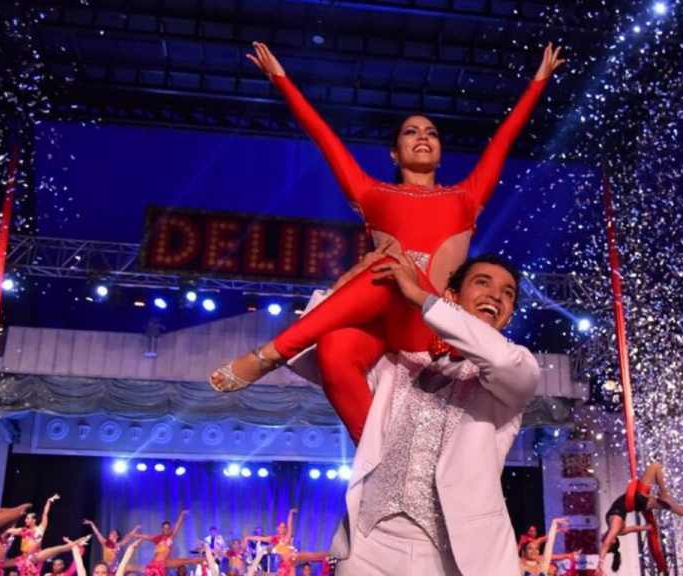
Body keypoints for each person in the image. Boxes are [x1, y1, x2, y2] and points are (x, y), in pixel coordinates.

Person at [209, 40, 565, 447]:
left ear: (441, 153)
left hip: (433, 326)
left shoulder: (465, 198)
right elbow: (325, 139)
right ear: (395, 153)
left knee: (392, 269)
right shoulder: (372, 194)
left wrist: (537, 83)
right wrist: (282, 80)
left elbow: (503, 140)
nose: (423, 137)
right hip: (386, 324)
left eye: (431, 133)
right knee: (335, 349)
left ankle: (270, 354)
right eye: (411, 132)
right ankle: (378, 457)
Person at [288, 252, 539, 575]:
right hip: (369, 544)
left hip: (452, 554)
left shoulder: (516, 372)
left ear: (508, 316)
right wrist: (345, 285)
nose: (496, 294)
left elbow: (501, 360)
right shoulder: (398, 362)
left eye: (508, 293)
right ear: (451, 296)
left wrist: (421, 298)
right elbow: (315, 352)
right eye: (482, 283)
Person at [596, 461, 683, 576]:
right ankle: (665, 495)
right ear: (613, 540)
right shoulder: (615, 527)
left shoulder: (620, 530)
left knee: (671, 507)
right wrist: (600, 565)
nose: (602, 540)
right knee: (655, 466)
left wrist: (647, 527)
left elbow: (632, 529)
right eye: (605, 541)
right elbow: (607, 544)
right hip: (637, 497)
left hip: (639, 503)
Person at [129, 511, 194, 576]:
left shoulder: (171, 537)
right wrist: (133, 534)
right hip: (155, 565)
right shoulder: (157, 538)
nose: (166, 529)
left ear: (170, 529)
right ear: (162, 528)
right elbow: (144, 536)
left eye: (168, 528)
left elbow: (178, 524)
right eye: (165, 528)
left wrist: (182, 514)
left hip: (164, 564)